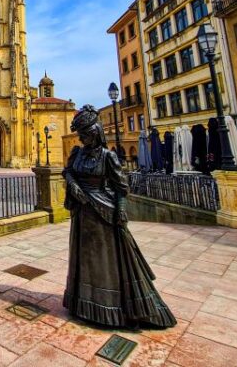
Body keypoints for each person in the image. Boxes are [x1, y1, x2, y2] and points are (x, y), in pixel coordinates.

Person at [63, 104, 176, 329]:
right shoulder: (78, 153)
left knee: (107, 261)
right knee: (85, 260)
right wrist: (73, 185)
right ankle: (84, 304)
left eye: (85, 135)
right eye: (80, 135)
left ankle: (113, 308)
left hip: (103, 213)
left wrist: (121, 211)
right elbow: (68, 171)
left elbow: (121, 187)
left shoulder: (108, 157)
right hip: (83, 215)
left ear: (95, 133)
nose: (82, 139)